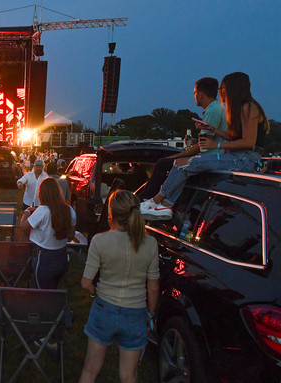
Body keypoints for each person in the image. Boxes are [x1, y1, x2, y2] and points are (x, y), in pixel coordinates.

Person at [140, 72, 269, 220]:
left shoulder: (249, 107)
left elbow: (248, 143)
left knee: (183, 163)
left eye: (223, 87)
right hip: (238, 156)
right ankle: (165, 205)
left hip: (245, 159)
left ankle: (157, 201)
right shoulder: (240, 108)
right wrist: (213, 129)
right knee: (181, 164)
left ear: (234, 87)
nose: (220, 91)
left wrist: (216, 144)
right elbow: (234, 138)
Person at [79, 190, 159, 383]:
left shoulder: (100, 240)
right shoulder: (150, 243)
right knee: (128, 375)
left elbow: (85, 282)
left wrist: (94, 293)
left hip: (104, 308)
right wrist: (150, 314)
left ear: (111, 214)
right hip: (135, 313)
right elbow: (153, 288)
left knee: (90, 370)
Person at [139, 77, 228, 201]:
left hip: (211, 159)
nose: (194, 97)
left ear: (201, 94)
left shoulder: (212, 111)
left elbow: (201, 147)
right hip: (216, 156)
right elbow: (207, 141)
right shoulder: (220, 107)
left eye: (194, 93)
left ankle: (147, 200)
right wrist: (195, 143)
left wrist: (175, 157)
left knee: (162, 164)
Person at [19, 177, 76, 290]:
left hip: (44, 258)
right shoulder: (69, 210)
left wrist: (27, 211)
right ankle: (57, 307)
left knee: (43, 294)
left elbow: (23, 227)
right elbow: (70, 236)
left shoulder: (42, 210)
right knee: (53, 290)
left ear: (42, 193)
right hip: (62, 257)